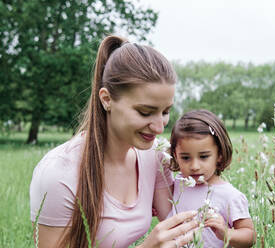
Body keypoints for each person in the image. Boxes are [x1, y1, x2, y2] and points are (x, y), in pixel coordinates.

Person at [29, 35, 198, 248]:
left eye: (165, 111)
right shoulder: (58, 174)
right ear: (106, 99)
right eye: (145, 112)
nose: (159, 126)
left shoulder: (153, 155)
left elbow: (180, 223)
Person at [166, 109, 256, 248]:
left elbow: (249, 236)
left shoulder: (229, 195)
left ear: (219, 154)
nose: (194, 166)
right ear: (175, 155)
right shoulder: (178, 183)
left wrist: (225, 233)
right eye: (185, 157)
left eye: (203, 156)